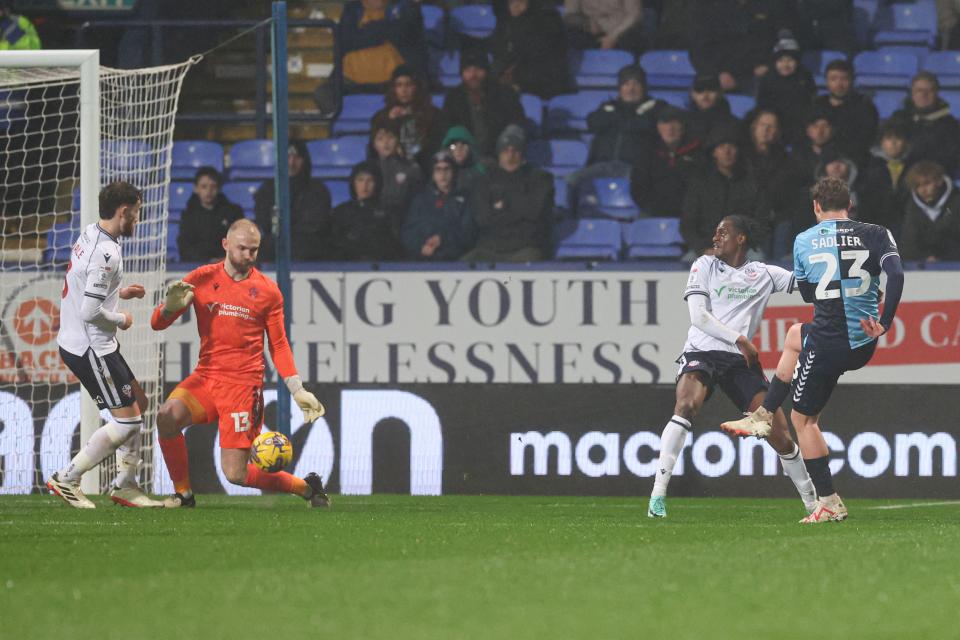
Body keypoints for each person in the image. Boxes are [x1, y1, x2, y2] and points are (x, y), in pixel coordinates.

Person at [721, 177, 905, 524]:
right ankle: (762, 416)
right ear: (849, 205)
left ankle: (829, 502)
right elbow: (895, 274)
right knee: (793, 335)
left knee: (802, 420)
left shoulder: (804, 239)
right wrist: (886, 319)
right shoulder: (877, 232)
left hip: (830, 342)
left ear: (816, 207)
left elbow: (810, 295)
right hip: (864, 340)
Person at [151, 219, 328, 508]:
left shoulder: (268, 292)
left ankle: (306, 488)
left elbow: (279, 344)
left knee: (236, 474)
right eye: (243, 248)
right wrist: (168, 309)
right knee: (167, 417)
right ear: (225, 244)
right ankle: (183, 495)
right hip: (206, 378)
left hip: (243, 388)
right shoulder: (202, 278)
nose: (248, 255)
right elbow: (157, 324)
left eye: (254, 250)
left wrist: (297, 389)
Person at [648, 215, 816, 519]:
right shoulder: (704, 265)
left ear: (741, 239)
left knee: (779, 434)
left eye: (723, 233)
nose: (716, 238)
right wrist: (740, 338)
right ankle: (657, 495)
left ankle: (812, 503)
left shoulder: (764, 273)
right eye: (715, 233)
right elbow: (698, 317)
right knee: (685, 406)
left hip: (740, 363)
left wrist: (851, 289)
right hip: (702, 351)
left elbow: (808, 287)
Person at [46, 182, 162, 509]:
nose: (138, 220)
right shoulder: (107, 253)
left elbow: (83, 284)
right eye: (137, 213)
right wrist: (121, 318)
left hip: (91, 342)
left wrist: (117, 292)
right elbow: (90, 311)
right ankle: (67, 478)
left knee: (138, 400)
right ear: (124, 211)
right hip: (90, 347)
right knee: (128, 422)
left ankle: (125, 485)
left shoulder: (91, 233)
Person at [462, 124, 554, 262]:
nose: (510, 155)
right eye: (506, 150)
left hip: (525, 248)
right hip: (490, 248)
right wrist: (520, 208)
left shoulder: (539, 178)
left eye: (515, 150)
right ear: (499, 153)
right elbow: (482, 218)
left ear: (522, 153)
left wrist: (502, 206)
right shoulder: (485, 180)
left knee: (531, 259)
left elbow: (534, 211)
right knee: (464, 265)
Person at [680, 123, 764, 258]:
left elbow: (759, 221)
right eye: (721, 147)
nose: (727, 151)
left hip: (742, 248)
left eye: (731, 146)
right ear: (714, 152)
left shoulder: (751, 183)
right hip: (706, 248)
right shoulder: (700, 184)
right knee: (688, 263)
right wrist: (702, 248)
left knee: (758, 258)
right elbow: (687, 225)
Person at [254, 140, 332, 262]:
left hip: (308, 249)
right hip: (274, 247)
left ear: (305, 160)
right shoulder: (267, 189)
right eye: (287, 157)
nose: (291, 163)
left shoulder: (318, 190)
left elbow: (316, 225)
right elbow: (264, 222)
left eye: (297, 157)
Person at [441, 49, 526, 158]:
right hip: (465, 159)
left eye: (478, 69)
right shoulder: (453, 98)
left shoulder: (505, 95)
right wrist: (456, 149)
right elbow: (448, 131)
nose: (473, 75)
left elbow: (517, 124)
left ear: (486, 71)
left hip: (499, 158)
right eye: (467, 70)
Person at [629, 105, 702, 217]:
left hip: (690, 215)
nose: (669, 128)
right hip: (653, 213)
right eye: (664, 123)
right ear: (658, 127)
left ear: (683, 126)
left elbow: (702, 189)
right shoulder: (647, 153)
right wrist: (653, 209)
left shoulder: (698, 154)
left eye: (675, 123)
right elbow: (638, 188)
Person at [490, 0, 572, 99]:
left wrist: (516, 77)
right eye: (511, 2)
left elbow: (547, 61)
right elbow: (500, 53)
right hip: (514, 82)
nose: (516, 5)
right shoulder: (505, 22)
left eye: (520, 2)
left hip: (545, 85)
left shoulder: (549, 19)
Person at [401, 151, 476, 260]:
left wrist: (443, 239)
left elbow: (469, 234)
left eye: (447, 169)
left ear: (454, 172)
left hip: (456, 261)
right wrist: (420, 247)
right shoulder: (420, 200)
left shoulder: (465, 200)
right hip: (422, 260)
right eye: (438, 169)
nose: (443, 174)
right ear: (432, 174)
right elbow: (408, 233)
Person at [338, 0, 428, 90]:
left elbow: (400, 33)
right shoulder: (353, 8)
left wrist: (370, 28)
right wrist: (383, 28)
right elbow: (347, 41)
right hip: (350, 82)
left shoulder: (407, 7)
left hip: (395, 86)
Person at [327, 160, 404, 261]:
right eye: (360, 180)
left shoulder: (389, 212)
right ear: (353, 183)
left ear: (377, 183)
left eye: (370, 180)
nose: (365, 185)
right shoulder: (340, 212)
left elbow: (395, 247)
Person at [371, 64, 443, 168]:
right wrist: (391, 122)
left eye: (408, 85)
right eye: (399, 85)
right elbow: (375, 153)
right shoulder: (381, 118)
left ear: (417, 87)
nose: (404, 90)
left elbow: (435, 148)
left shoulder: (434, 115)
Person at [811, 60, 878, 169]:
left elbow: (864, 141)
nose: (839, 84)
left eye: (844, 79)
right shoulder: (817, 105)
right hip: (818, 160)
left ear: (852, 80)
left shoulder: (865, 107)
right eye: (833, 79)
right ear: (826, 81)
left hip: (852, 161)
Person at [891, 71, 960, 176]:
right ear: (912, 93)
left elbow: (951, 158)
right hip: (903, 174)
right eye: (919, 90)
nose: (924, 95)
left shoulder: (950, 124)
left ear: (936, 94)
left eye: (929, 91)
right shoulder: (898, 119)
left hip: (935, 177)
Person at [755, 30, 816, 145]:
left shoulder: (805, 77)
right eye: (781, 61)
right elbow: (762, 104)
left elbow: (809, 102)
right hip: (775, 123)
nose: (785, 65)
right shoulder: (768, 78)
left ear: (797, 61)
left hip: (799, 123)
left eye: (790, 60)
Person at [178, 167, 244, 263]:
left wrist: (226, 260)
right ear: (196, 189)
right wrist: (207, 261)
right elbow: (185, 247)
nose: (209, 191)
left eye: (213, 186)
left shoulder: (233, 212)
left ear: (219, 188)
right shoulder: (188, 216)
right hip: (199, 266)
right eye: (204, 186)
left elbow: (241, 242)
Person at [899, 161, 960, 261]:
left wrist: (942, 258)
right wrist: (925, 258)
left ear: (939, 181)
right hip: (923, 268)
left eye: (926, 183)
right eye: (918, 185)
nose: (923, 189)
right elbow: (908, 244)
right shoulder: (912, 207)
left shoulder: (957, 201)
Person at [858, 120, 912, 233]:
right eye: (888, 138)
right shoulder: (869, 167)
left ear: (906, 142)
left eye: (898, 138)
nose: (893, 142)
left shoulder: (913, 167)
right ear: (881, 142)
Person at [369, 119, 423, 231]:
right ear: (374, 143)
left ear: (398, 140)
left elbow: (418, 200)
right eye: (380, 139)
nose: (386, 143)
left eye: (390, 137)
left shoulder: (411, 168)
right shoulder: (368, 169)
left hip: (404, 221)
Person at [562, 0, 645, 54]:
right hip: (590, 31)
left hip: (622, 32)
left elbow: (634, 15)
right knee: (570, 34)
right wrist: (585, 23)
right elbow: (570, 16)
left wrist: (613, 36)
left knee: (632, 37)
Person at [684, 73, 739, 144]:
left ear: (720, 93)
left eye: (711, 89)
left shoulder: (733, 124)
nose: (705, 95)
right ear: (692, 94)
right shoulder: (683, 123)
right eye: (700, 90)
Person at [442, 125, 487, 194]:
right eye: (453, 146)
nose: (459, 150)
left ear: (470, 148)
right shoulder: (441, 173)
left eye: (463, 145)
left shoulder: (481, 171)